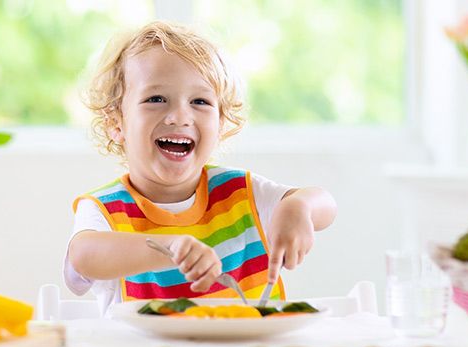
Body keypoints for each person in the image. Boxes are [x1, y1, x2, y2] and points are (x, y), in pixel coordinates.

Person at [64, 21, 337, 315]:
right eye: (156, 99)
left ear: (220, 124)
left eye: (200, 101)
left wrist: (298, 207)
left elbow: (326, 205)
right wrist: (168, 246)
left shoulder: (242, 194)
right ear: (116, 123)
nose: (180, 116)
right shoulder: (104, 209)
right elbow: (83, 256)